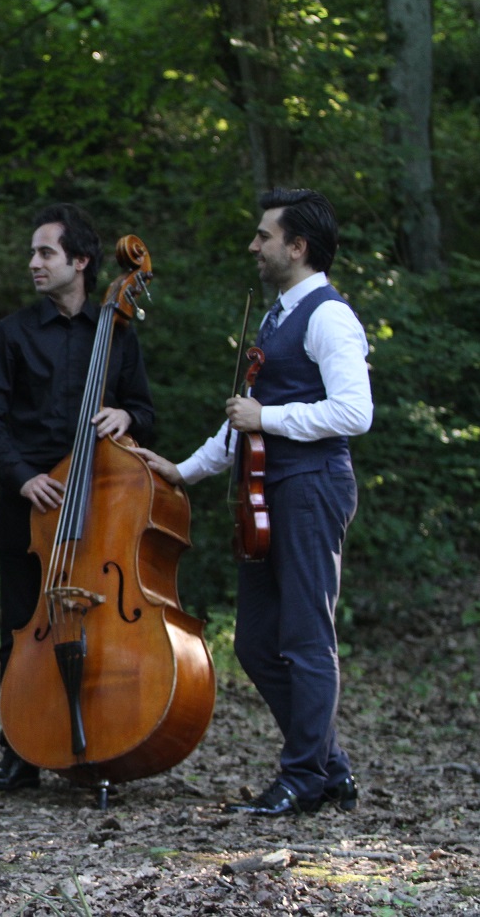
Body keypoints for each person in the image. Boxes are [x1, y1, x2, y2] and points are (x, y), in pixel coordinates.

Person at [132, 188, 371, 816]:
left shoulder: (329, 317)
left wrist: (270, 416)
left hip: (312, 486)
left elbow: (355, 412)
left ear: (298, 246)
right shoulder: (275, 318)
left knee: (307, 639)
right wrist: (183, 470)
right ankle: (330, 768)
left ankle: (302, 778)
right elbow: (243, 421)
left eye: (264, 236)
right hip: (267, 493)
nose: (253, 246)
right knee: (257, 644)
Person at [0, 203, 156, 791]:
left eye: (45, 252)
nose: (33, 262)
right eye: (33, 252)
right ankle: (20, 752)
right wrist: (22, 476)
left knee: (102, 627)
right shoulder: (13, 333)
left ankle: (96, 743)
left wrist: (127, 415)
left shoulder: (117, 334)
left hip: (99, 507)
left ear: (80, 261)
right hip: (30, 506)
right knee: (22, 627)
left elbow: (146, 411)